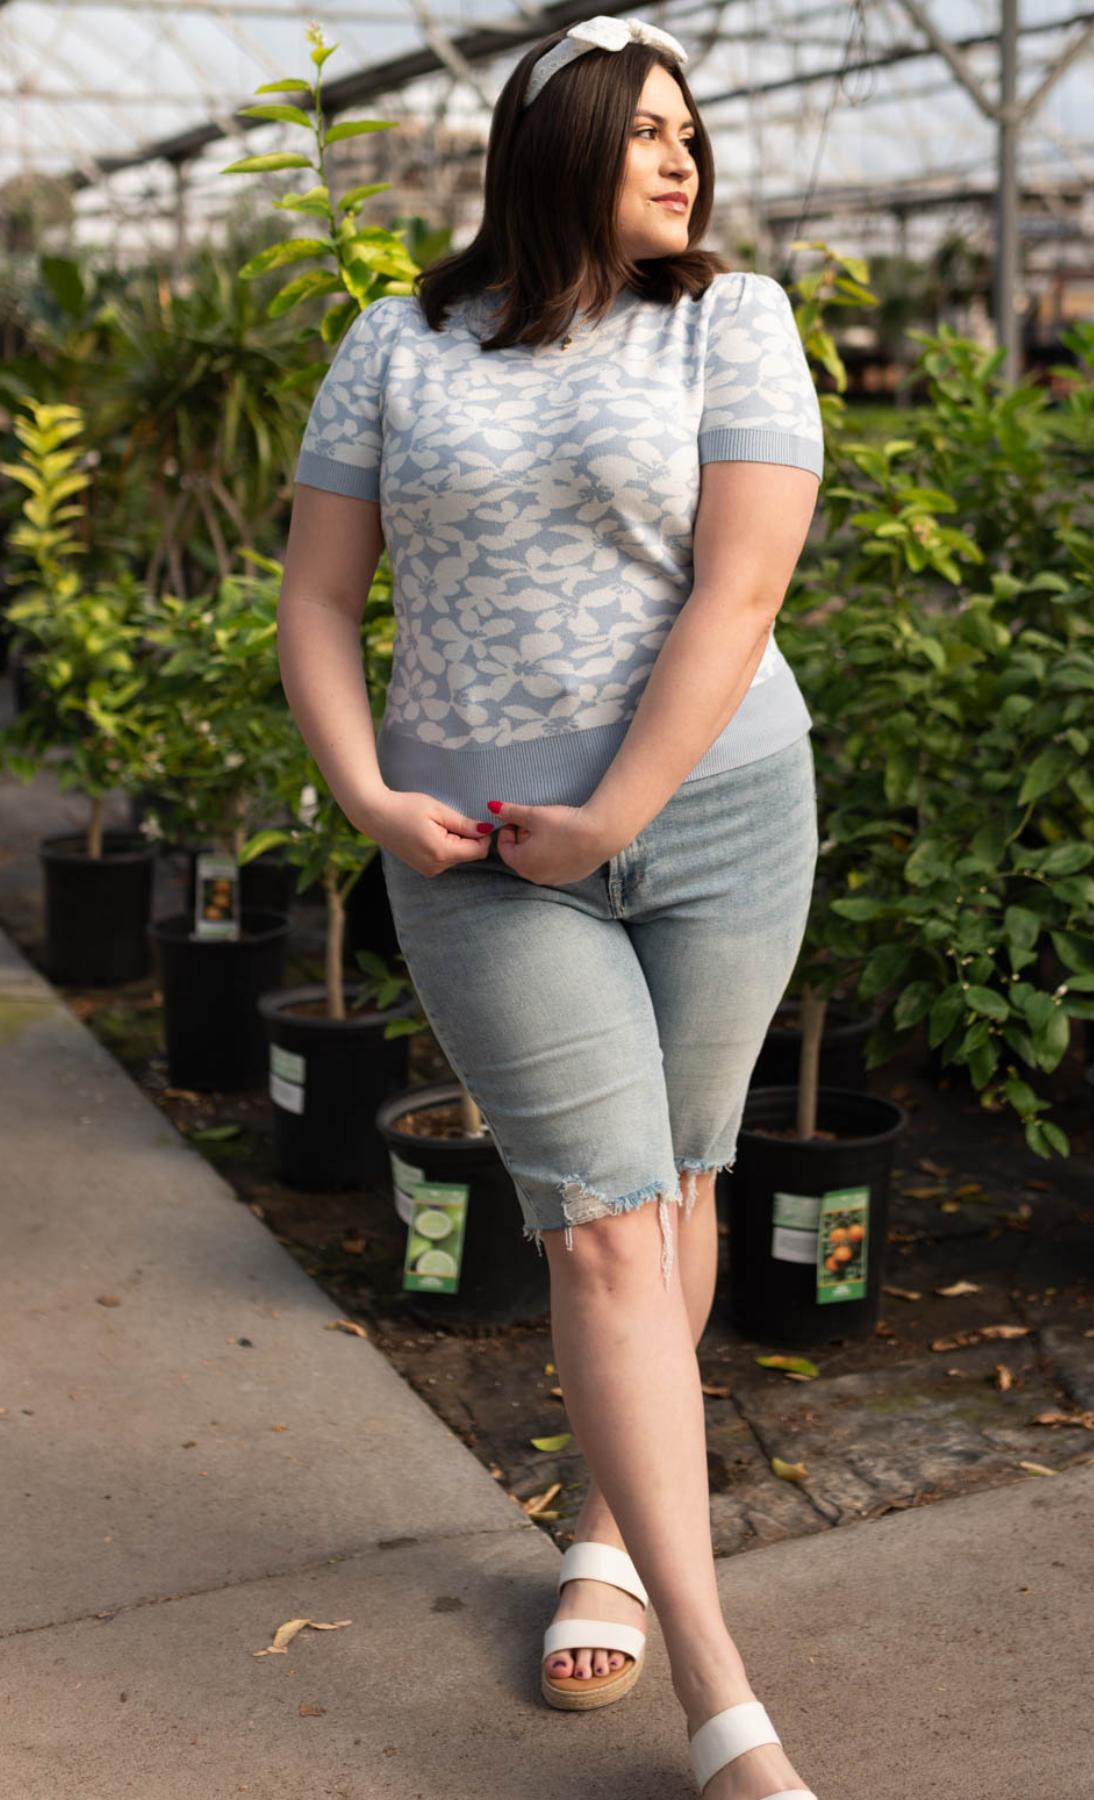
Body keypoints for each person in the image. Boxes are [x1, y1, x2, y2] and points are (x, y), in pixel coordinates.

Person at [278, 16, 823, 1799]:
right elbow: (318, 600)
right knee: (596, 1220)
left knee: (676, 1182)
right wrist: (368, 794)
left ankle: (605, 1528)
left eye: (693, 129)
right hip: (478, 850)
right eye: (645, 129)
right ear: (556, 140)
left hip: (718, 809)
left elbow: (738, 596)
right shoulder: (394, 342)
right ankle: (723, 1702)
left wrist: (616, 817)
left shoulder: (727, 321)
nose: (682, 157)